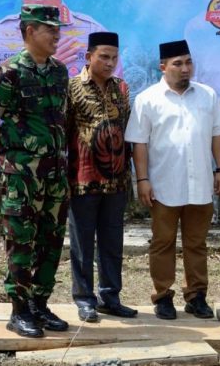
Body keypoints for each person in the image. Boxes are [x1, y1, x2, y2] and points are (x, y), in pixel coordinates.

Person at [125, 40, 220, 320]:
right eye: (178, 64)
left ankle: (197, 296)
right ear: (163, 67)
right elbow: (139, 143)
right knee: (163, 242)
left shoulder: (207, 95)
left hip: (201, 184)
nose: (185, 69)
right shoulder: (148, 99)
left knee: (197, 243)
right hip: (163, 185)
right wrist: (142, 179)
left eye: (188, 62)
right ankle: (162, 296)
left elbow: (219, 133)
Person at [0, 4, 70, 338]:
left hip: (55, 173)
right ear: (30, 31)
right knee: (21, 241)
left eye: (57, 29)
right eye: (50, 30)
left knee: (51, 238)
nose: (56, 35)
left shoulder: (60, 71)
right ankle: (19, 311)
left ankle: (40, 305)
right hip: (22, 175)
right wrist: (5, 153)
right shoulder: (8, 73)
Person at [67, 31, 136, 323]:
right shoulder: (71, 87)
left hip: (116, 181)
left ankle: (110, 297)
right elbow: (64, 131)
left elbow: (128, 130)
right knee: (82, 243)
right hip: (82, 179)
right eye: (103, 57)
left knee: (112, 241)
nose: (109, 63)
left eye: (114, 58)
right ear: (89, 57)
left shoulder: (121, 88)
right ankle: (84, 299)